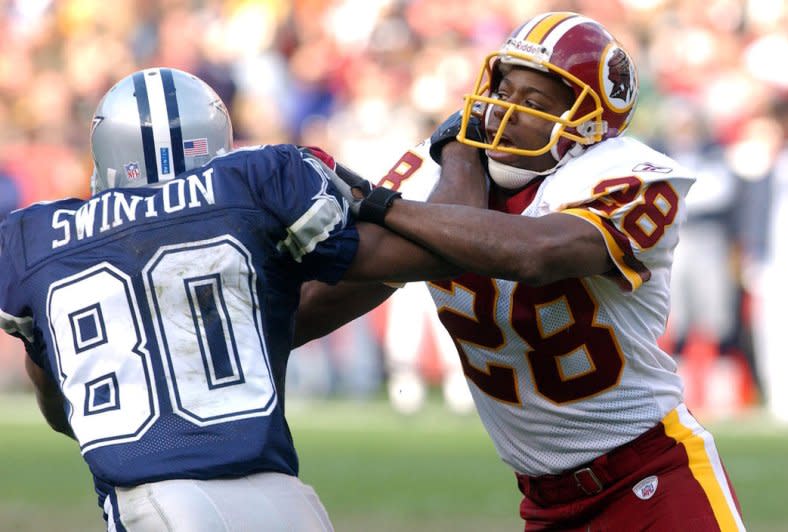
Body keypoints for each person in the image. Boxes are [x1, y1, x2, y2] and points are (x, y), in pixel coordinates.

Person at [298, 12, 746, 531]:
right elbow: (330, 296)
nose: (501, 112)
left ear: (586, 126)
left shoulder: (632, 176)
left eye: (532, 104)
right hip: (544, 502)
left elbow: (536, 254)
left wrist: (384, 206)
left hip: (653, 476)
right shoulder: (438, 170)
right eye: (503, 89)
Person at [0, 67, 465, 531]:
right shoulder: (252, 187)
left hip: (155, 500)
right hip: (275, 492)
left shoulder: (35, 241)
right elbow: (376, 267)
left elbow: (57, 403)